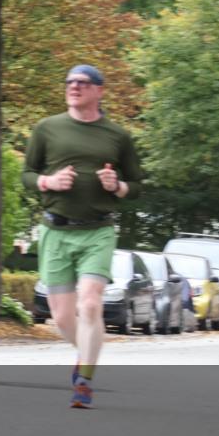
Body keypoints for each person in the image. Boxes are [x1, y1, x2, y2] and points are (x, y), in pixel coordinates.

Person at [21, 64, 143, 409]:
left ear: (99, 91)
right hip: (55, 230)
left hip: (97, 231)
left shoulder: (117, 136)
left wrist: (116, 186)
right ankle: (86, 353)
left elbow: (136, 186)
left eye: (82, 83)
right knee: (61, 317)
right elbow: (27, 174)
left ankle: (84, 381)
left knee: (90, 303)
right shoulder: (47, 129)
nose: (74, 87)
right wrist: (48, 182)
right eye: (69, 81)